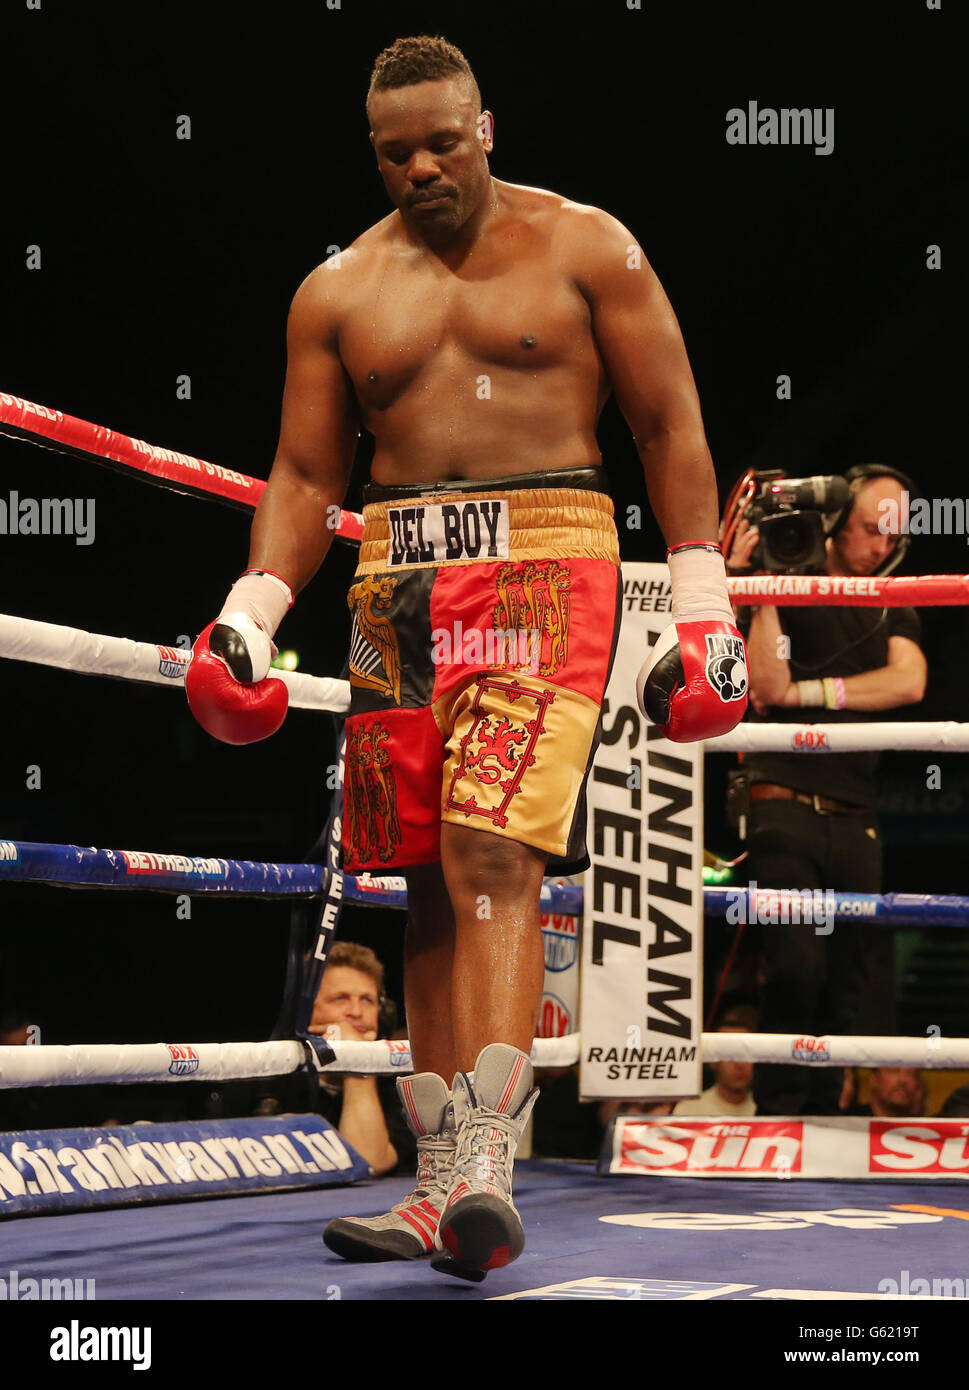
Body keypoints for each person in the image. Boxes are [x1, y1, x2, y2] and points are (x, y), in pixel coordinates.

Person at [185, 35, 747, 1280]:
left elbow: (668, 422)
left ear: (485, 126)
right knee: (423, 874)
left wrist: (702, 593)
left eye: (444, 140)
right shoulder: (335, 291)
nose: (423, 167)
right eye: (397, 152)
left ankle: (488, 1155)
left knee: (494, 845)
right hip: (396, 576)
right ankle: (444, 1193)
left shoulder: (587, 245)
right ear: (373, 153)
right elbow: (305, 471)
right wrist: (254, 607)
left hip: (549, 556)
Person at [726, 468, 926, 1116]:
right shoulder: (791, 576)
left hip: (856, 811)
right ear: (839, 522)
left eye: (891, 533)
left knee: (852, 985)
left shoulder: (891, 596)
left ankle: (825, 1114)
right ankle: (779, 1110)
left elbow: (907, 680)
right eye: (870, 528)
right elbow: (763, 684)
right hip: (781, 799)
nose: (879, 545)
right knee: (792, 969)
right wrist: (761, 586)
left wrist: (810, 697)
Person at [306, 941, 413, 1176]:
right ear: (308, 1011)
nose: (356, 1012)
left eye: (367, 1000)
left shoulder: (406, 1085)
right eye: (340, 998)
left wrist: (358, 1061)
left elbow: (369, 1162)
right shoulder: (271, 1076)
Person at [673, 1004, 757, 1116]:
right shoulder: (689, 1111)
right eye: (730, 1054)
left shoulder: (768, 1112)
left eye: (746, 1053)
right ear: (713, 1060)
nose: (740, 1064)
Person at [845, 1066, 927, 1118]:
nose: (903, 1079)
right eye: (894, 1071)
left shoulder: (923, 1129)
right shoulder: (849, 1123)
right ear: (873, 1079)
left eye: (910, 1074)